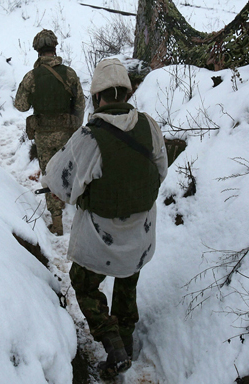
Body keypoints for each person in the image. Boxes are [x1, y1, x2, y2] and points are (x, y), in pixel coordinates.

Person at [40, 59, 168, 377]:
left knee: (83, 286)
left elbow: (59, 180)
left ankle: (111, 342)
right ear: (127, 92)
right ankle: (125, 344)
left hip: (100, 239)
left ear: (97, 98)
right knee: (127, 285)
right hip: (140, 234)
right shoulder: (150, 126)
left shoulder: (89, 137)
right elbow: (160, 171)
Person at [14, 29, 85, 236]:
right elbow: (80, 103)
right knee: (71, 171)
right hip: (67, 134)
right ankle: (79, 214)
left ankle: (57, 222)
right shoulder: (69, 74)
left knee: (49, 175)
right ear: (54, 49)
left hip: (44, 136)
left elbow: (20, 106)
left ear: (38, 51)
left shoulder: (31, 77)